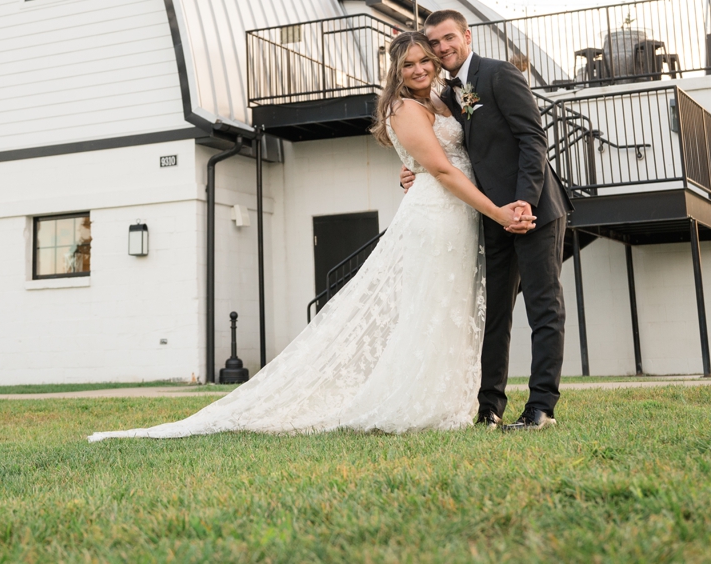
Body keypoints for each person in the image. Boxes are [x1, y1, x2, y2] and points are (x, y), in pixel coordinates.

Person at [89, 32, 529, 442]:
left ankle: (453, 397)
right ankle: (415, 402)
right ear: (396, 71)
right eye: (408, 64)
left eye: (424, 61)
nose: (418, 69)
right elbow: (440, 167)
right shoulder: (405, 107)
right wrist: (495, 211)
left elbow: (461, 148)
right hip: (438, 215)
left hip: (461, 214)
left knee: (452, 306)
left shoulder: (441, 99)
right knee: (430, 307)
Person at [400, 9, 570, 431]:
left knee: (543, 309)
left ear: (467, 36)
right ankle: (489, 408)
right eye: (434, 43)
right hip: (490, 217)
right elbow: (451, 152)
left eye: (447, 39)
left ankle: (541, 408)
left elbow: (533, 138)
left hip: (532, 213)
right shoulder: (450, 92)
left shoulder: (499, 75)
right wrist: (413, 169)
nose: (441, 48)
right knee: (493, 314)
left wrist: (523, 203)